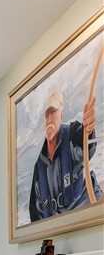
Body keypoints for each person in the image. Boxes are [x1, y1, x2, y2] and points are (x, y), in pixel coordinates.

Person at [29, 87, 99, 221]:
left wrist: (89, 130)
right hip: (63, 226)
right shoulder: (39, 165)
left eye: (53, 112)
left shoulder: (73, 133)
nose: (50, 119)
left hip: (87, 210)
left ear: (61, 114)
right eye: (47, 115)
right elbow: (35, 212)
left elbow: (86, 144)